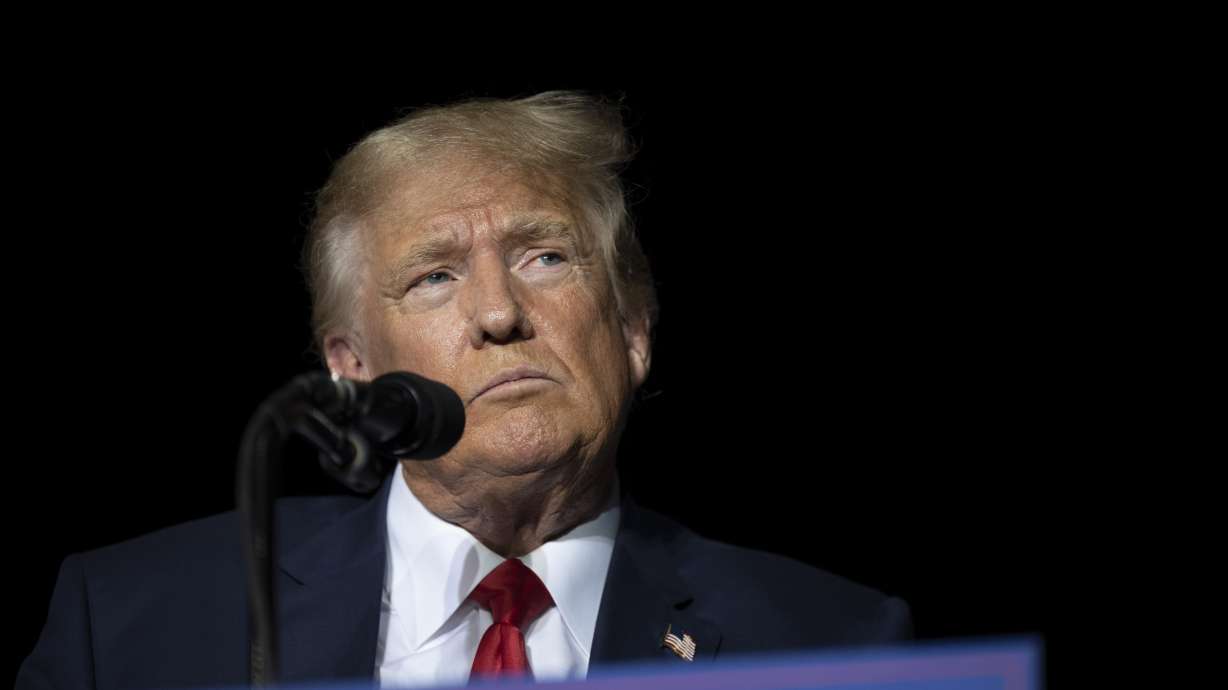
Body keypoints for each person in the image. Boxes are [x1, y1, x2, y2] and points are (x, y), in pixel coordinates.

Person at [17, 91, 912, 690]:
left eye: (545, 257)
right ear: (351, 369)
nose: (498, 314)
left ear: (633, 333)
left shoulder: (835, 645)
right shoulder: (132, 623)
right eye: (435, 277)